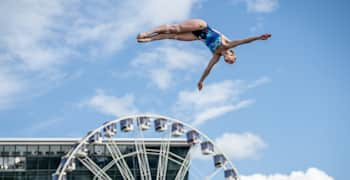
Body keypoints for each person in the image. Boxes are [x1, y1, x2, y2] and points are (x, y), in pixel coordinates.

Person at [137, 19, 271, 91]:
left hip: (197, 36)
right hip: (202, 26)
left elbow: (208, 69)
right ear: (232, 54)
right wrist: (259, 37)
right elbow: (244, 41)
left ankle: (149, 39)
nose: (229, 62)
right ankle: (148, 33)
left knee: (174, 36)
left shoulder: (217, 55)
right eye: (231, 60)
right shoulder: (228, 44)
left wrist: (201, 81)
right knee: (175, 28)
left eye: (229, 62)